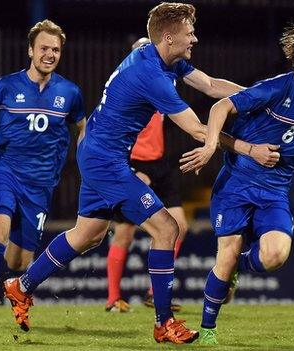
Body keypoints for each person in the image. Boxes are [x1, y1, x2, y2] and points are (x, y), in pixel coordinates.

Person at [2, 2, 278, 344]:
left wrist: (262, 94)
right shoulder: (151, 75)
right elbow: (195, 129)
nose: (194, 38)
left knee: (88, 233)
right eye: (189, 33)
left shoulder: (158, 55)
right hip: (106, 160)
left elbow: (208, 84)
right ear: (168, 38)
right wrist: (250, 150)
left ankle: (21, 285)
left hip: (98, 152)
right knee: (167, 228)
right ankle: (164, 322)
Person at [180, 16, 294, 345]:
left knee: (276, 255)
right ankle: (208, 332)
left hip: (275, 192)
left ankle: (237, 265)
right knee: (224, 257)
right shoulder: (275, 88)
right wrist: (212, 146)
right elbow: (221, 106)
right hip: (236, 183)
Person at [0, 20, 86, 329]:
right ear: (31, 50)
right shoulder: (3, 87)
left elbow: (83, 128)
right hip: (4, 171)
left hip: (41, 185)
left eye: (56, 49)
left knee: (19, 262)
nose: (50, 54)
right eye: (44, 48)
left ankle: (14, 290)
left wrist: (87, 159)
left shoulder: (70, 93)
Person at [104, 37, 187, 315]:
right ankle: (114, 298)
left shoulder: (162, 80)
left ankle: (154, 293)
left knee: (180, 226)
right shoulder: (129, 83)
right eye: (140, 49)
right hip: (133, 163)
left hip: (160, 165)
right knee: (124, 234)